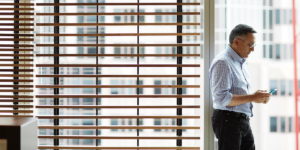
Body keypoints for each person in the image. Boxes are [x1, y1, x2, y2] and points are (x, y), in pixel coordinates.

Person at [209, 24, 272, 150]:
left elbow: (240, 93)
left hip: (242, 121)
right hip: (229, 121)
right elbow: (221, 98)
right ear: (236, 42)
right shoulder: (223, 62)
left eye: (254, 45)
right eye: (250, 45)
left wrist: (256, 97)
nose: (253, 49)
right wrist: (252, 97)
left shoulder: (241, 62)